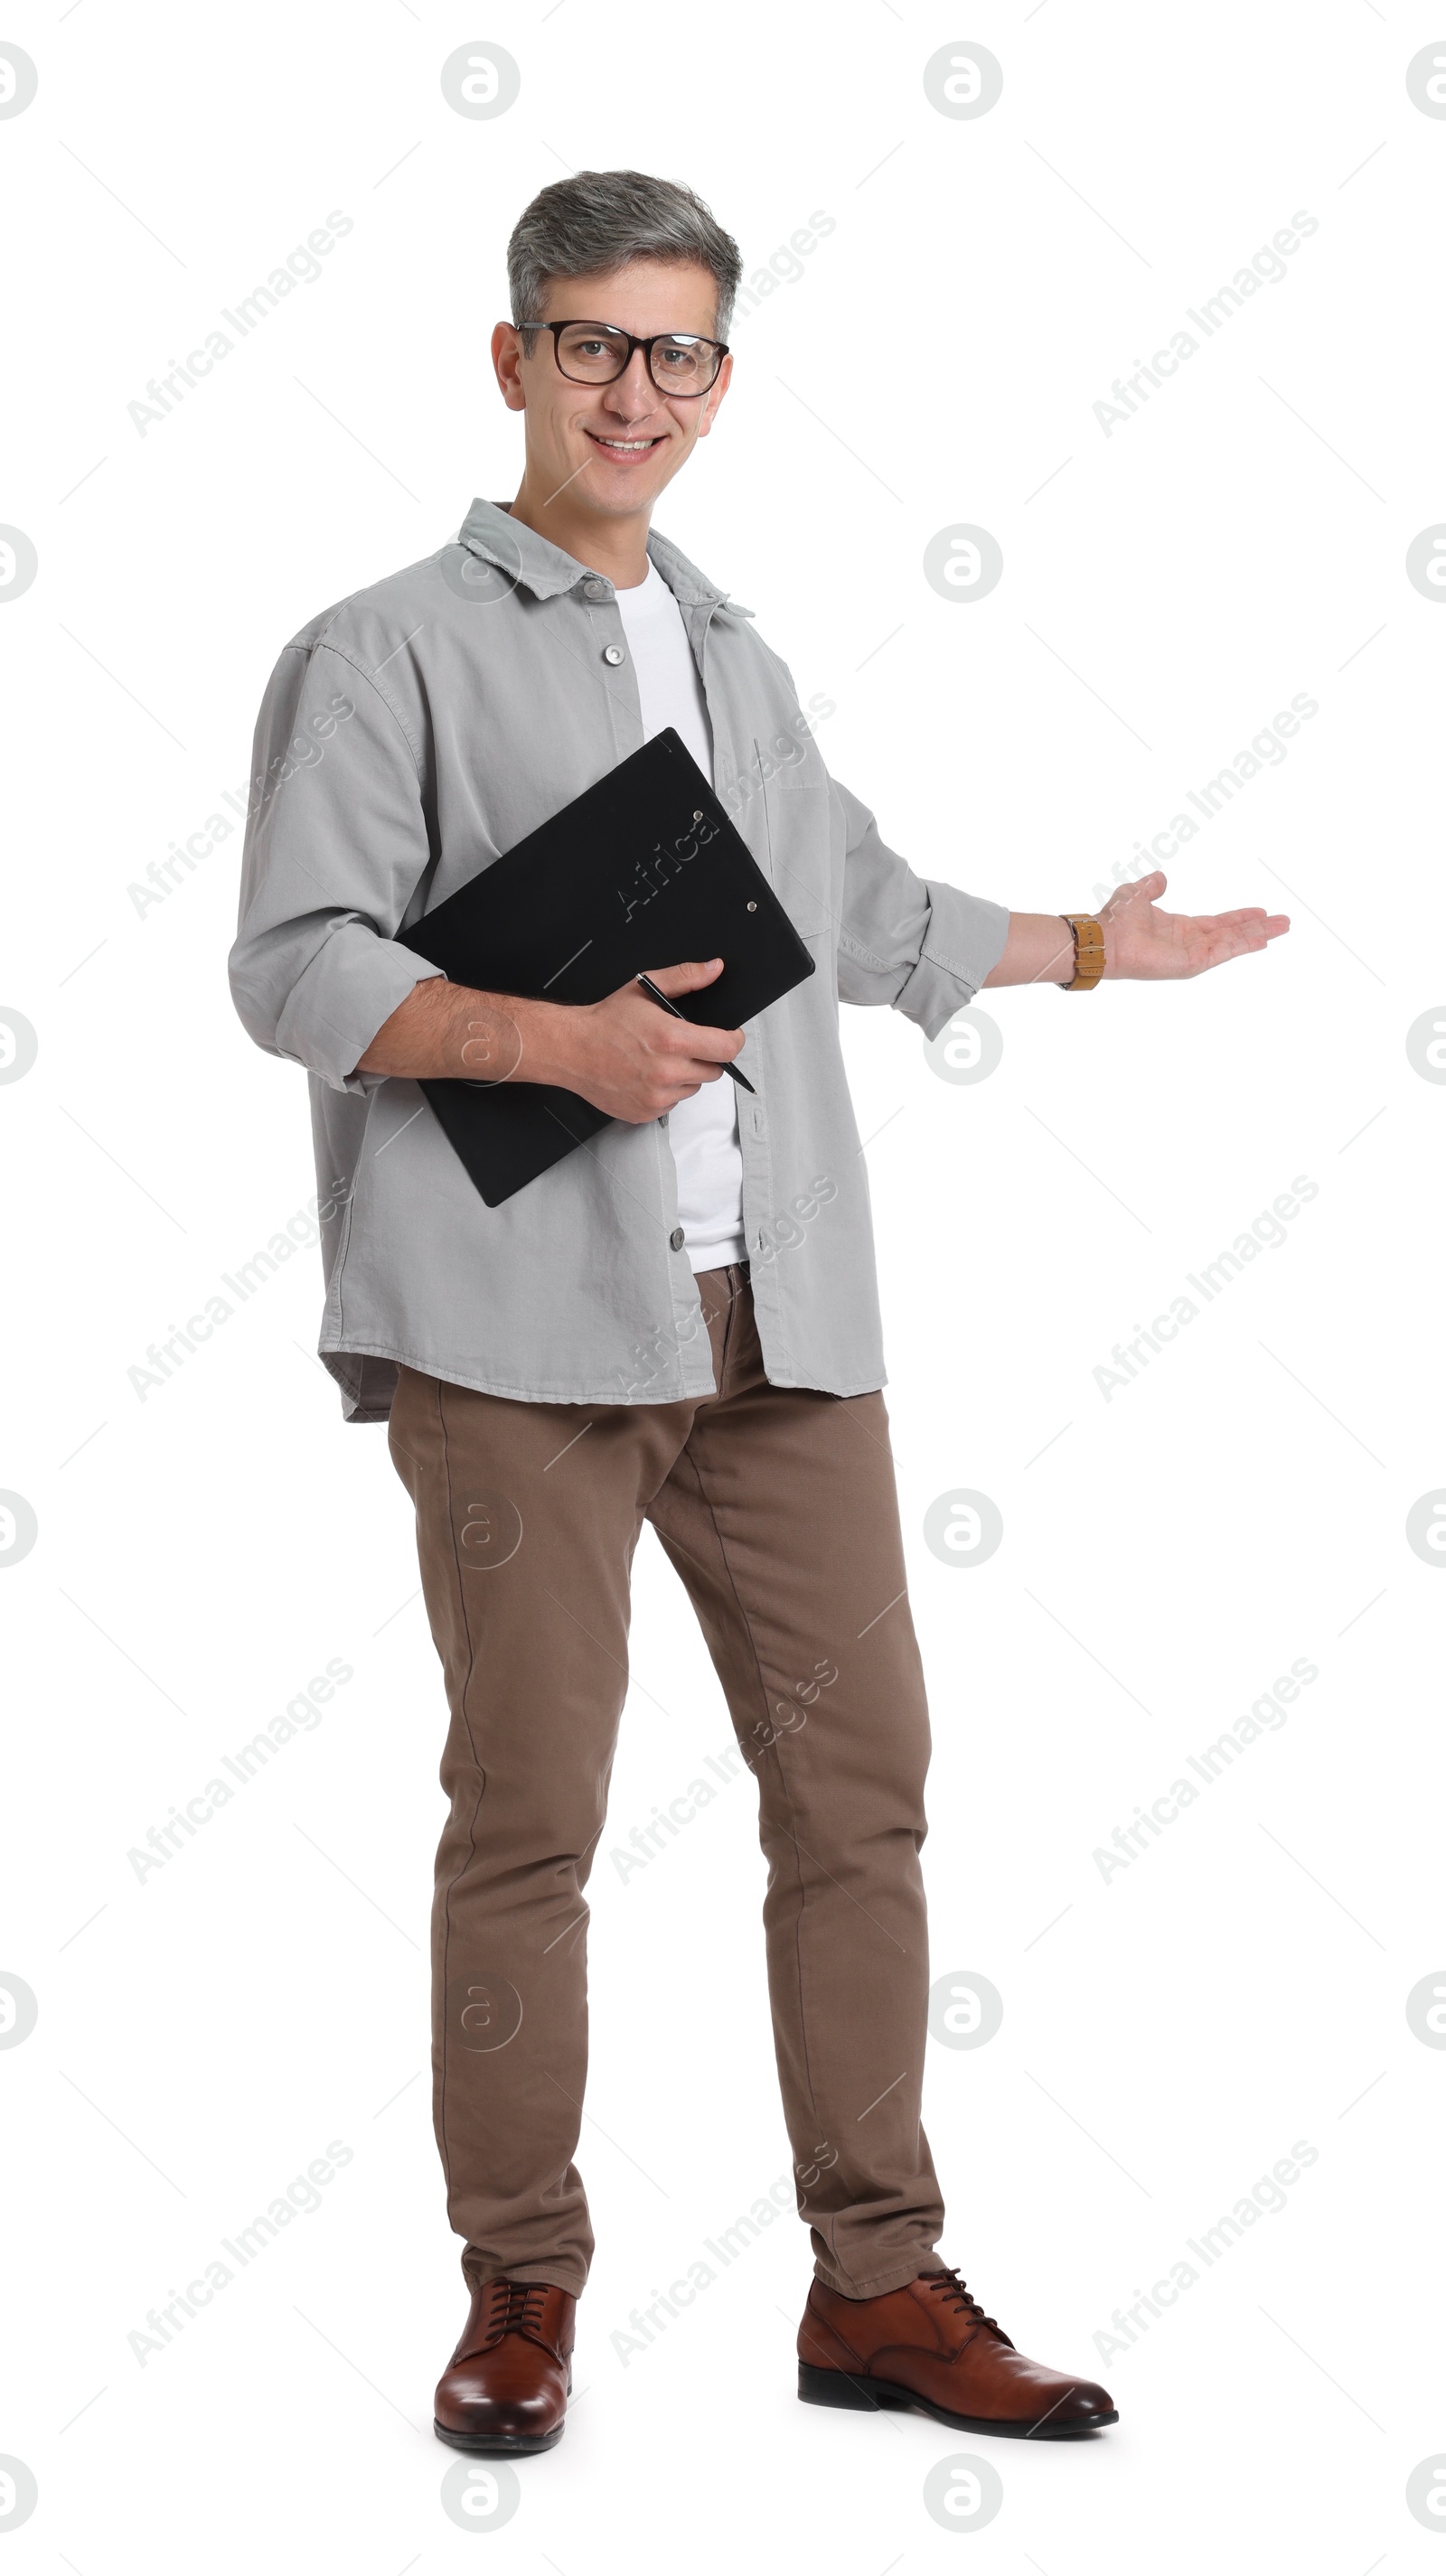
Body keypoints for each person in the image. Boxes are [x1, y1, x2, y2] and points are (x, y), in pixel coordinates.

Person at [230, 168, 1288, 2457]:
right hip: (517, 1334)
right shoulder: (380, 646)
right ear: (511, 360)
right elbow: (296, 969)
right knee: (529, 1819)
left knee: (862, 1798)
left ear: (723, 376)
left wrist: (1107, 949)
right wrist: (555, 1044)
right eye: (595, 344)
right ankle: (519, 2288)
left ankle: (876, 2287)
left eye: (680, 349)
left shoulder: (732, 651)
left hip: (779, 1324)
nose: (639, 390)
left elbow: (866, 911)